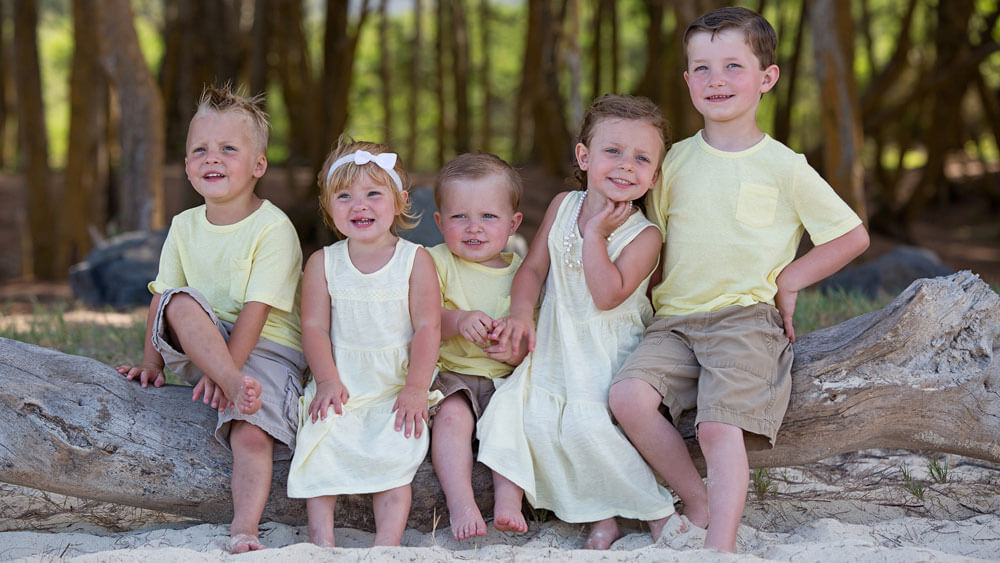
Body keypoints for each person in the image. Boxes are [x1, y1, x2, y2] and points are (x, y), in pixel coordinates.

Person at [608, 6, 871, 553]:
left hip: (744, 320)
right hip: (674, 321)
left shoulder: (785, 166)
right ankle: (694, 500)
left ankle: (720, 545)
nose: (716, 80)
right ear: (687, 81)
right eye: (701, 69)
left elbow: (851, 236)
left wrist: (792, 279)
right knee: (628, 398)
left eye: (733, 66)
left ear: (767, 78)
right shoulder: (672, 162)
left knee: (717, 426)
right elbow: (649, 239)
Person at [477, 95, 686, 550]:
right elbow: (532, 268)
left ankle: (655, 510)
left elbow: (607, 295)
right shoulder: (562, 206)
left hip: (606, 354)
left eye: (642, 158)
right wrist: (520, 314)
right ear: (584, 156)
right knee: (513, 414)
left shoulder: (645, 235)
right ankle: (599, 518)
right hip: (556, 345)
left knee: (587, 427)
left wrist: (595, 235)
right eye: (613, 151)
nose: (626, 166)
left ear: (654, 175)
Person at [117, 84, 307, 554]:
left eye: (227, 148)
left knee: (249, 432)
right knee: (178, 302)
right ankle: (227, 381)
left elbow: (256, 312)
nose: (212, 159)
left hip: (265, 348)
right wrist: (153, 364)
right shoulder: (184, 226)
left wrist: (231, 373)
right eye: (199, 150)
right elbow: (162, 299)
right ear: (186, 166)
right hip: (203, 344)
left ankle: (244, 527)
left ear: (258, 165)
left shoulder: (273, 228)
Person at [286, 140, 443, 547]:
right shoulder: (323, 262)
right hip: (344, 381)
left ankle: (386, 544)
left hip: (396, 384)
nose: (360, 205)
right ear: (327, 205)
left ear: (399, 201)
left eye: (374, 193)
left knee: (396, 450)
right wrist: (325, 380)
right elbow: (315, 328)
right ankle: (321, 541)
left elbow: (428, 327)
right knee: (321, 438)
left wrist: (416, 389)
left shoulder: (415, 260)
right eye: (344, 196)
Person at [426, 152, 527, 541]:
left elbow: (530, 334)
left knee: (515, 423)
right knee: (451, 421)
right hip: (452, 376)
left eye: (488, 217)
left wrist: (514, 350)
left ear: (513, 223)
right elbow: (422, 321)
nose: (474, 228)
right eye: (459, 217)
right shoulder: (434, 262)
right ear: (439, 222)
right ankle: (461, 502)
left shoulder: (522, 273)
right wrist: (459, 320)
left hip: (507, 380)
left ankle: (508, 500)